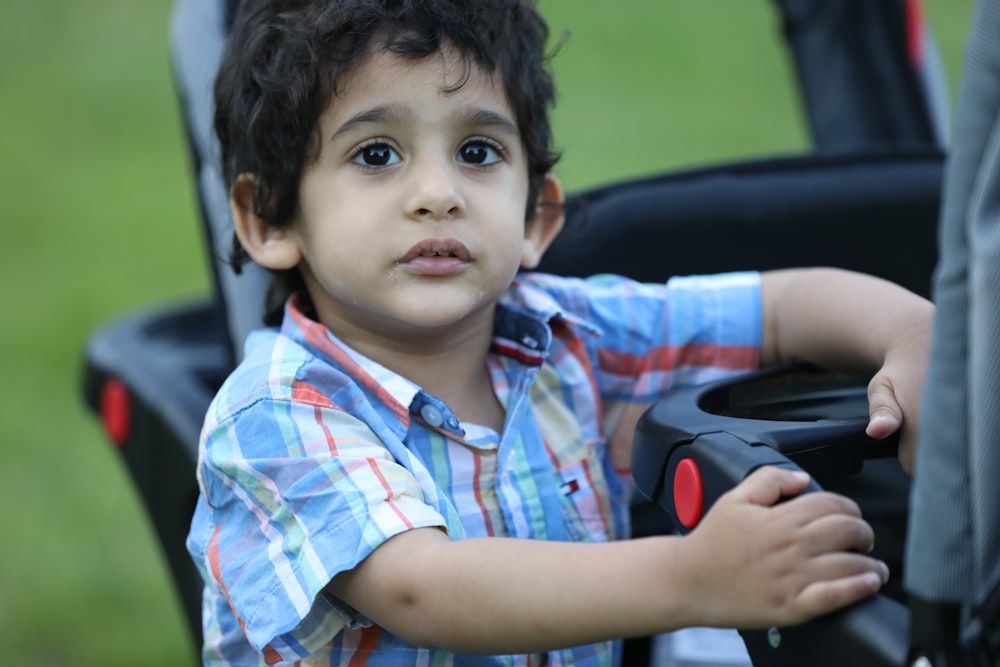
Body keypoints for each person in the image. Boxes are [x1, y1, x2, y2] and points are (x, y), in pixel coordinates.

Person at [186, 0, 934, 664]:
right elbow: (425, 588)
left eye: (478, 152)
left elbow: (778, 308)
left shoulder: (570, 330)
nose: (437, 194)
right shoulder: (278, 415)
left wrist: (912, 333)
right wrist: (694, 578)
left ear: (537, 217)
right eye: (376, 154)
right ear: (270, 218)